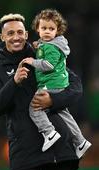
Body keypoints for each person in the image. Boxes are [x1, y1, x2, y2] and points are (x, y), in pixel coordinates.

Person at [0, 13, 82, 170]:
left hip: (57, 148)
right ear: (2, 37)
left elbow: (76, 87)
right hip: (24, 152)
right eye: (10, 33)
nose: (16, 37)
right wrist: (13, 82)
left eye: (20, 32)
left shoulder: (44, 54)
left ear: (26, 35)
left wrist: (53, 100)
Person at [22, 9, 91, 155]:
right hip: (59, 85)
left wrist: (33, 61)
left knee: (34, 109)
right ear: (38, 29)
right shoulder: (50, 44)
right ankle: (80, 142)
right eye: (44, 28)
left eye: (51, 29)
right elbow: (44, 47)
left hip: (50, 85)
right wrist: (38, 45)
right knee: (65, 115)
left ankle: (49, 133)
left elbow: (49, 65)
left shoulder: (51, 47)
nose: (47, 32)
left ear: (58, 31)